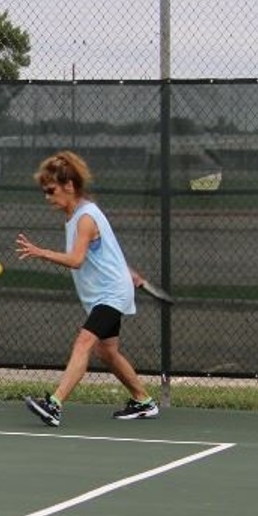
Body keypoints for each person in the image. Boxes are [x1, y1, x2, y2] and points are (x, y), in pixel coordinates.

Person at [14, 150, 158, 427]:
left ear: (69, 186)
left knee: (84, 343)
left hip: (111, 294)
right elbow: (106, 251)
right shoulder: (79, 214)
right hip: (108, 290)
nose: (47, 197)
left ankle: (54, 405)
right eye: (44, 191)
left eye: (51, 190)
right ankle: (143, 402)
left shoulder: (85, 218)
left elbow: (77, 260)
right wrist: (127, 271)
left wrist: (40, 252)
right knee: (107, 352)